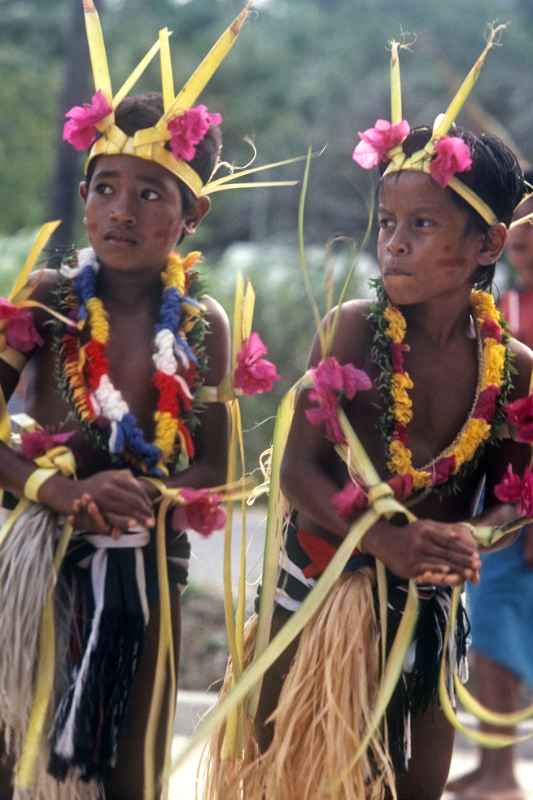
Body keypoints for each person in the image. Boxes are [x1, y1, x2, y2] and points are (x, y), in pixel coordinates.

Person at [205, 33, 533, 800]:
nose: (392, 243)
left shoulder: (513, 369)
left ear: (485, 242)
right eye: (387, 221)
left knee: (415, 778)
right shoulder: (352, 328)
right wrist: (388, 540)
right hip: (316, 593)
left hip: (427, 610)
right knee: (279, 767)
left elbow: (515, 502)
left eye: (421, 226)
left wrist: (466, 537)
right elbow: (298, 470)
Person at [0, 3, 289, 799]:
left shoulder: (204, 324)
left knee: (135, 757)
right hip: (42, 556)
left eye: (152, 193)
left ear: (192, 215)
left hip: (149, 565)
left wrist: (152, 496)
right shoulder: (51, 299)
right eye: (106, 187)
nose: (123, 210)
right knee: (17, 747)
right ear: (85, 197)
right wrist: (64, 489)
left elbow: (222, 472)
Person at [446, 181, 533, 800]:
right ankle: (493, 761)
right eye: (519, 231)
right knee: (489, 628)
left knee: (504, 627)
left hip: (524, 505)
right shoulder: (507, 302)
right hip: (499, 496)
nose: (525, 242)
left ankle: (501, 773)